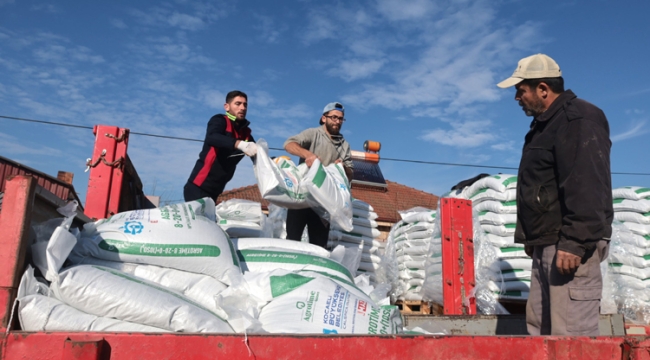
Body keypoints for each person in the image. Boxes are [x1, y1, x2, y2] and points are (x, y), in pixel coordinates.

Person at [497, 54, 613, 336]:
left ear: (543, 89)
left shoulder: (578, 119)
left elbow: (587, 184)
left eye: (520, 90)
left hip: (569, 247)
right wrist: (531, 238)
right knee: (541, 332)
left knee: (569, 337)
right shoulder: (545, 126)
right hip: (548, 244)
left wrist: (574, 241)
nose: (516, 97)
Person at [283, 102, 354, 248]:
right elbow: (289, 144)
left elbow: (350, 175)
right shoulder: (313, 134)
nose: (337, 121)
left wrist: (343, 168)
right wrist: (307, 154)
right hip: (302, 198)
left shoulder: (344, 145)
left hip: (323, 203)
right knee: (292, 241)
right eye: (334, 117)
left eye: (341, 119)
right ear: (324, 118)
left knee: (319, 245)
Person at [184, 90, 257, 202]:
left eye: (245, 104)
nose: (242, 108)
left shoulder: (246, 133)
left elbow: (258, 154)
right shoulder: (220, 120)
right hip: (198, 187)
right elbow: (212, 137)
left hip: (216, 191)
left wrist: (276, 162)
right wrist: (238, 144)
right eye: (238, 104)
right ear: (227, 107)